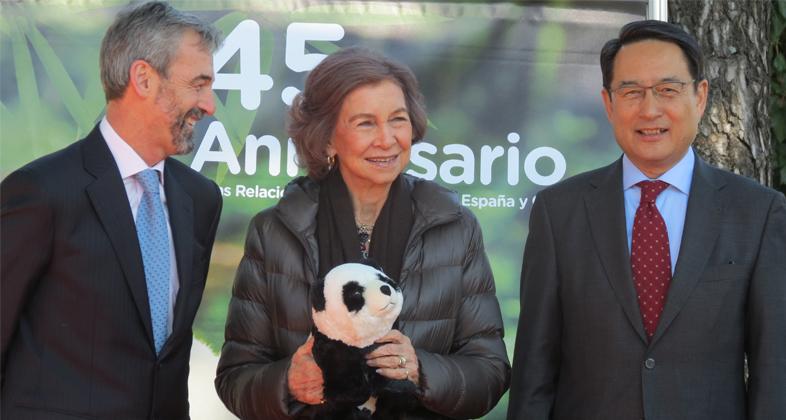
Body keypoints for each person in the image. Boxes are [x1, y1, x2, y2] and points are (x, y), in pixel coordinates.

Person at [506, 20, 786, 420]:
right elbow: (535, 370)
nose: (650, 109)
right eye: (631, 91)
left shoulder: (757, 213)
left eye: (668, 90)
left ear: (701, 96)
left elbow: (774, 371)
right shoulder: (558, 212)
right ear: (608, 103)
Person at [215, 47, 510, 419]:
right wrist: (287, 381)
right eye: (365, 123)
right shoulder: (275, 231)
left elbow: (491, 372)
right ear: (326, 138)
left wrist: (421, 369)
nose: (387, 139)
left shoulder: (454, 227)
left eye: (398, 120)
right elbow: (235, 378)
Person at [0, 2, 223, 418]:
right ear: (143, 78)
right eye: (198, 84)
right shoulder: (42, 191)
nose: (209, 104)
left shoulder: (201, 198)